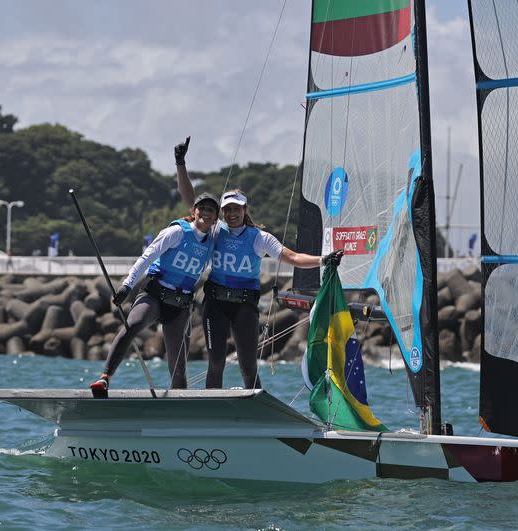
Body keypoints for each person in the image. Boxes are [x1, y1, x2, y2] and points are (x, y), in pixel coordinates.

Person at [174, 137, 343, 389]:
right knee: (216, 363)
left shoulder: (259, 238)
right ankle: (212, 411)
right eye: (227, 210)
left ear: (245, 210)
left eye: (237, 209)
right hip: (216, 304)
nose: (232, 214)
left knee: (248, 365)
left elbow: (293, 258)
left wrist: (323, 260)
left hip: (245, 305)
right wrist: (180, 163)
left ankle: (255, 407)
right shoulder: (216, 230)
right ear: (221, 213)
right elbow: (191, 201)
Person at [90, 192, 220, 392]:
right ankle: (105, 377)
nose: (205, 212)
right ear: (193, 211)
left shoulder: (213, 242)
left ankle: (179, 402)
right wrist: (127, 286)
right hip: (155, 295)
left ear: (215, 217)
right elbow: (147, 257)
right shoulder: (176, 232)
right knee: (132, 325)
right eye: (201, 208)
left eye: (211, 210)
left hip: (180, 304)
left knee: (178, 368)